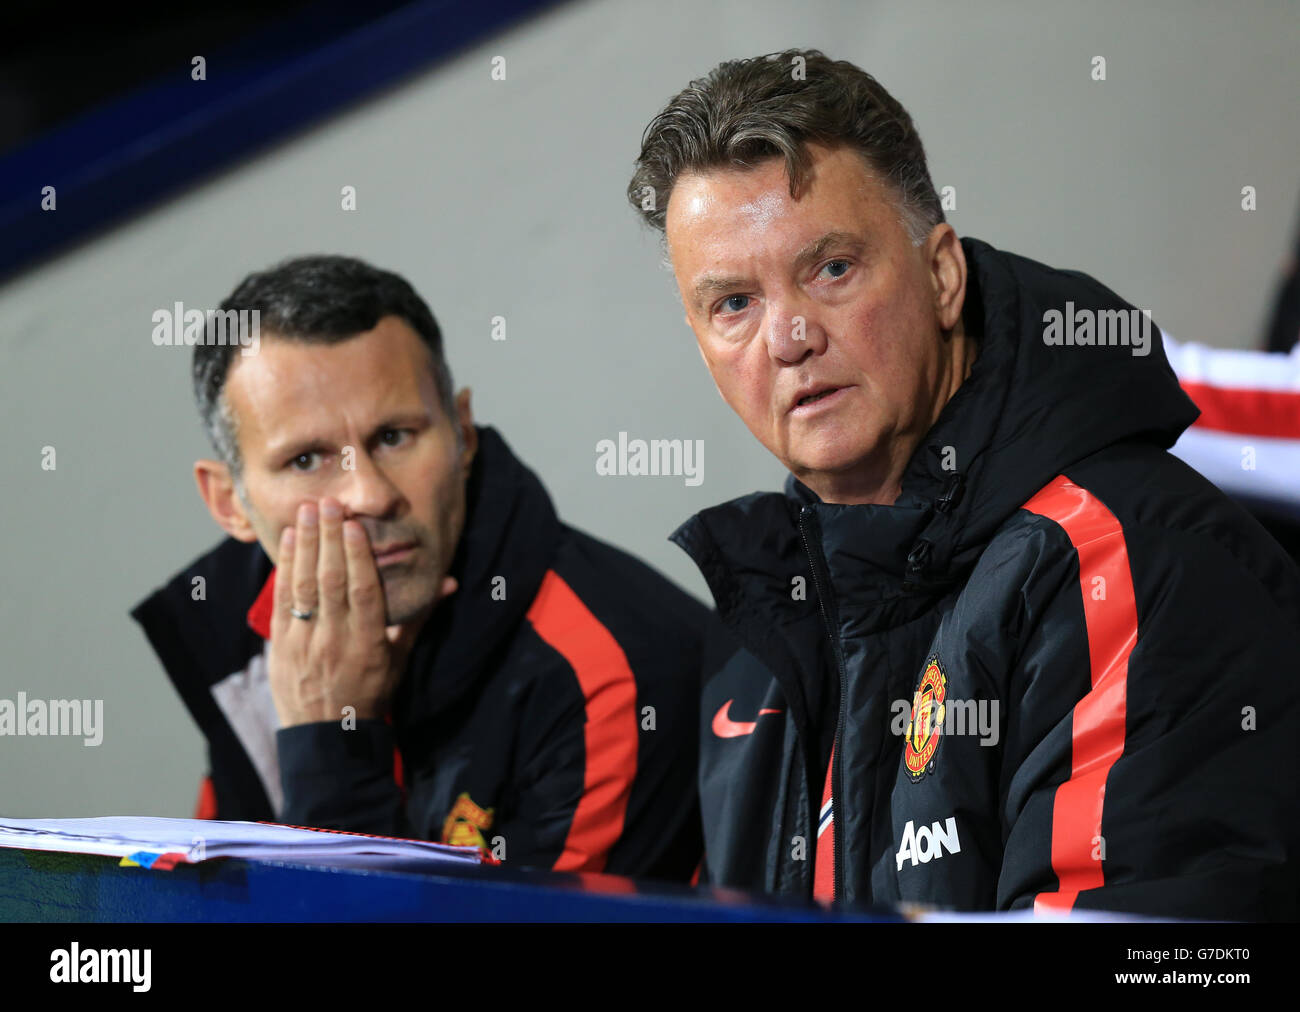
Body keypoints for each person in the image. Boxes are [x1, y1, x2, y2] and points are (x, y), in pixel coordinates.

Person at [625, 49, 1300, 918]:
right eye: (733, 305)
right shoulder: (758, 650)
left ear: (942, 274)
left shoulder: (1131, 561)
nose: (788, 337)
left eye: (831, 269)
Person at [131, 255, 706, 880]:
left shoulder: (612, 677)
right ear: (228, 502)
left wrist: (331, 741)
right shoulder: (250, 644)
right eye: (306, 460)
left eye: (395, 437)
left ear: (461, 433)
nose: (369, 495)